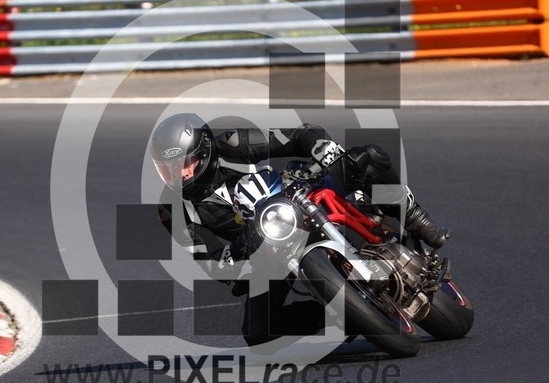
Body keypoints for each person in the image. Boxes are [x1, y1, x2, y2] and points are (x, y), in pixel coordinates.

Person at [150, 112, 451, 346]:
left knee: (367, 157)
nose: (180, 174)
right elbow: (210, 260)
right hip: (265, 248)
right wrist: (235, 256)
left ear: (204, 151)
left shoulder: (232, 144)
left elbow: (297, 135)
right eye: (169, 168)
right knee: (258, 332)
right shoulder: (171, 210)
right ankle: (342, 314)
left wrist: (321, 147)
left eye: (186, 162)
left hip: (297, 196)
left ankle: (414, 216)